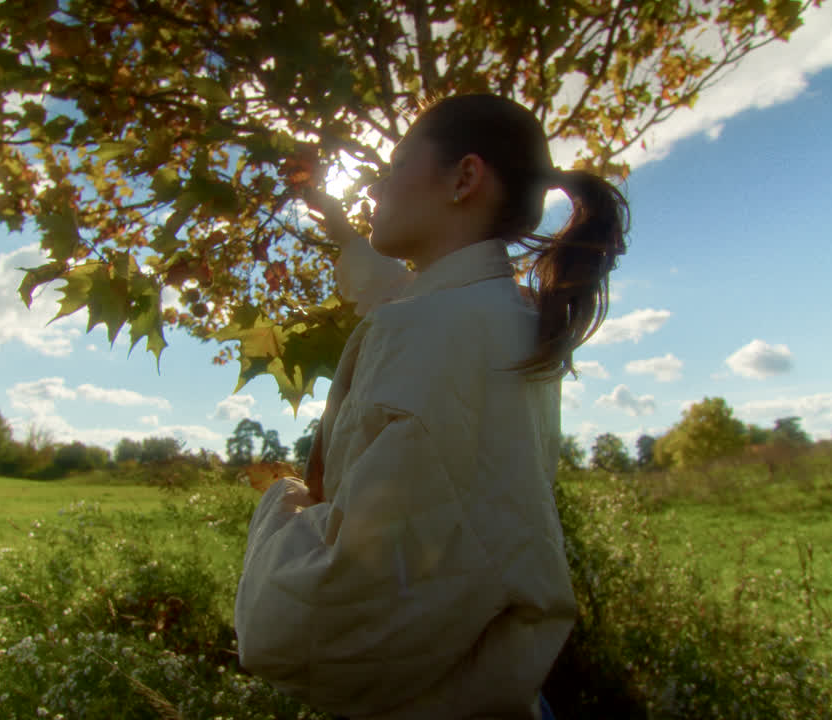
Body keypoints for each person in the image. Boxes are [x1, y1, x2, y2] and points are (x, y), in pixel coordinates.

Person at [233, 93, 629, 719]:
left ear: (465, 177)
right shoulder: (509, 313)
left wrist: (281, 507)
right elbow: (397, 290)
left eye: (395, 164)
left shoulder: (427, 331)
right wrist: (336, 221)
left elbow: (328, 614)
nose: (379, 184)